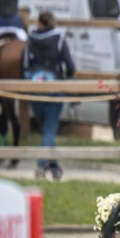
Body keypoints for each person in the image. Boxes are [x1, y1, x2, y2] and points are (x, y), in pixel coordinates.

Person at [23, 10, 75, 179]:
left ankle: (55, 168)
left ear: (39, 23)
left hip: (35, 90)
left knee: (46, 131)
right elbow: (71, 67)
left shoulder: (30, 40)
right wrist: (64, 79)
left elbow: (25, 64)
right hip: (54, 90)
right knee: (49, 132)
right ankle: (41, 167)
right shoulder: (60, 40)